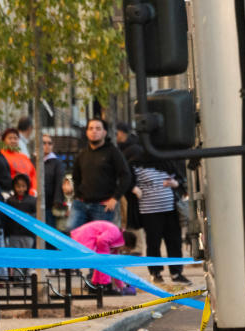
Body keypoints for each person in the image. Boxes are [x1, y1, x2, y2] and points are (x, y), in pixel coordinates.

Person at [130, 152, 190, 284]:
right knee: (153, 243)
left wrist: (176, 183)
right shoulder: (136, 164)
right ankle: (155, 272)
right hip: (149, 211)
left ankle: (176, 272)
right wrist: (133, 188)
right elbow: (127, 180)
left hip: (170, 209)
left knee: (174, 241)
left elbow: (180, 179)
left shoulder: (166, 160)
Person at [68, 118, 133, 230]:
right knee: (71, 232)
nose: (94, 131)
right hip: (81, 204)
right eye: (91, 128)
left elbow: (125, 175)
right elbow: (76, 177)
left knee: (99, 241)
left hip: (102, 206)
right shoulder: (82, 154)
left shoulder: (113, 152)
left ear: (104, 132)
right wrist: (77, 196)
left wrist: (115, 198)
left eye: (98, 128)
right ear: (87, 132)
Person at [70, 220, 136, 295]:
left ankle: (96, 285)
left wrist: (121, 287)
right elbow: (102, 240)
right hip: (84, 239)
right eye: (126, 249)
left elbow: (115, 267)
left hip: (84, 238)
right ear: (125, 243)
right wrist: (105, 256)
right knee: (104, 261)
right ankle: (105, 286)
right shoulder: (115, 231)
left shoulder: (114, 246)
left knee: (102, 262)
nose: (123, 251)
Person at [4, 174, 36, 250]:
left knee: (27, 256)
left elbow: (37, 216)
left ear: (27, 186)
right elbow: (6, 219)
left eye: (23, 186)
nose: (21, 189)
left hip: (28, 234)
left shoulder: (33, 201)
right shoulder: (10, 201)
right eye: (18, 186)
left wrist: (29, 216)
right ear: (14, 187)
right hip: (13, 234)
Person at [0, 127, 36, 195]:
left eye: (15, 138)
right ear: (3, 141)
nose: (13, 141)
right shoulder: (0, 156)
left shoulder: (24, 157)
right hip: (11, 194)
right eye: (10, 138)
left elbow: (33, 175)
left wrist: (34, 190)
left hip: (29, 195)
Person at [41, 134, 66, 229]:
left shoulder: (57, 162)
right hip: (34, 204)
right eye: (44, 143)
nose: (47, 145)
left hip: (50, 205)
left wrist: (57, 202)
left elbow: (59, 182)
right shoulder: (32, 160)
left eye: (49, 143)